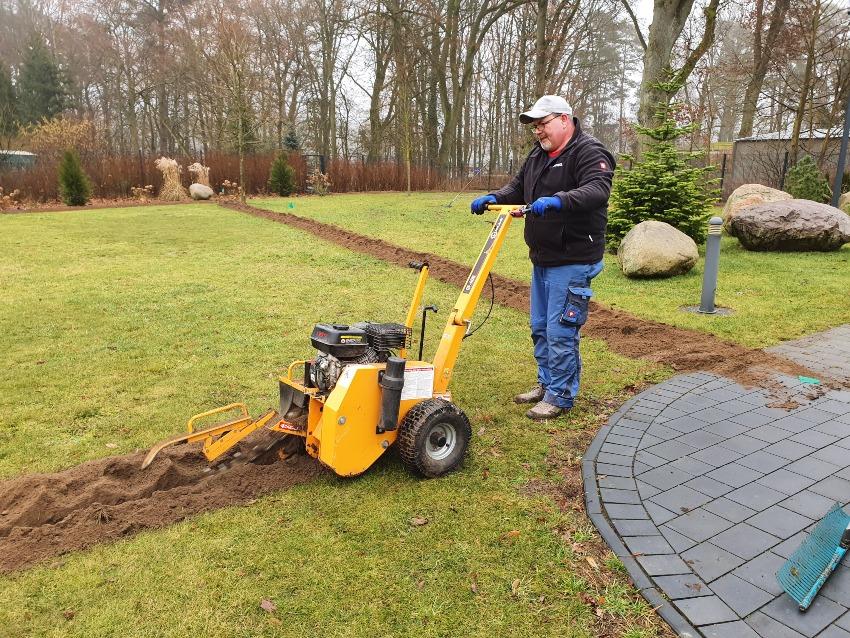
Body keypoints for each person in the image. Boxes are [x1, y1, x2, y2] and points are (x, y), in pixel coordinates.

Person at [470, 95, 615, 420]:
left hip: (574, 258)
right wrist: (496, 197)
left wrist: (558, 201)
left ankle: (560, 396)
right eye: (534, 126)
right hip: (544, 257)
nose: (537, 131)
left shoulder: (589, 152)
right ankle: (547, 383)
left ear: (565, 119)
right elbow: (518, 188)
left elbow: (597, 190)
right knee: (539, 327)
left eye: (543, 124)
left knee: (561, 330)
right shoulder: (537, 156)